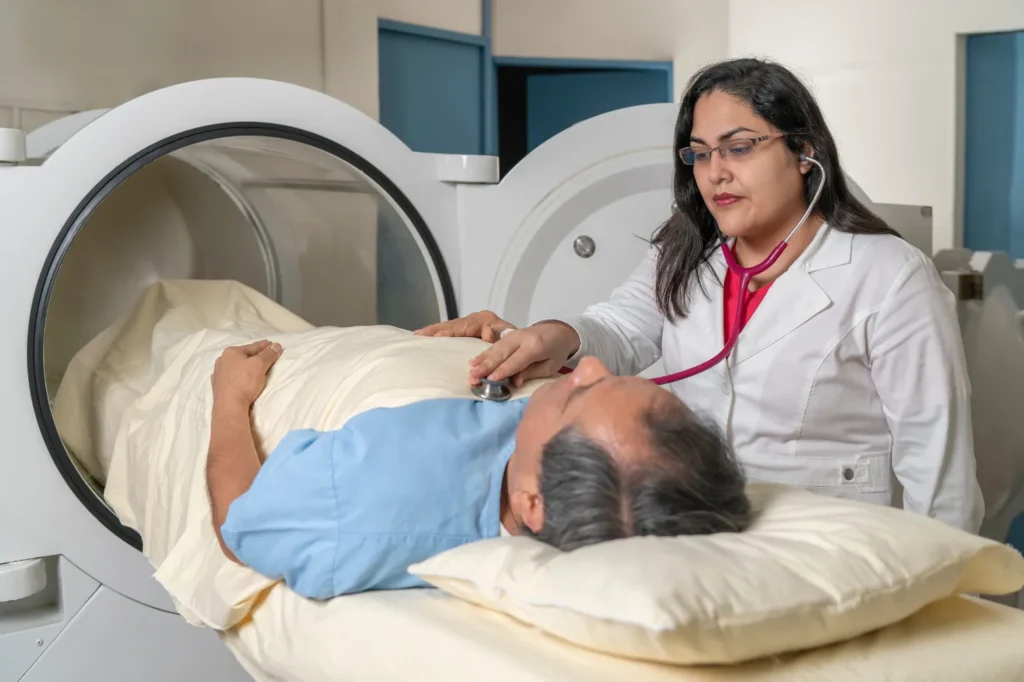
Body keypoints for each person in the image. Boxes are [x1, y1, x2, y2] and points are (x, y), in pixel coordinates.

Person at [416, 57, 985, 534]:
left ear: (805, 153)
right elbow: (621, 326)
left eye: (740, 148)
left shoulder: (889, 275)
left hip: (835, 538)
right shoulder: (686, 252)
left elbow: (938, 464)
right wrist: (554, 335)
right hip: (695, 527)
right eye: (701, 153)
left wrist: (945, 590)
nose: (715, 173)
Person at [206, 339, 752, 600]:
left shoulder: (370, 505)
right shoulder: (549, 460)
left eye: (580, 393)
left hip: (270, 365)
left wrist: (230, 399)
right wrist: (463, 344)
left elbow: (240, 525)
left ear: (532, 503)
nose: (586, 366)